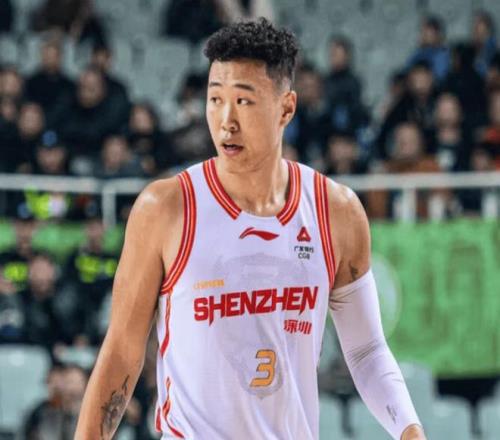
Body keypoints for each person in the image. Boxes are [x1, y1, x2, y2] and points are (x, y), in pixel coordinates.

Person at [76, 18, 426, 440]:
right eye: (215, 99)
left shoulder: (336, 212)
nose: (226, 120)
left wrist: (410, 431)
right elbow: (121, 352)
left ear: (286, 108)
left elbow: (367, 351)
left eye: (243, 101)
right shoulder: (165, 208)